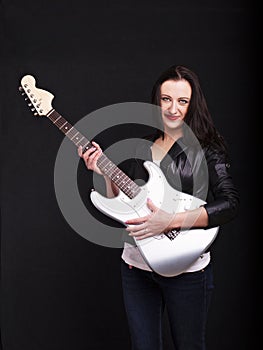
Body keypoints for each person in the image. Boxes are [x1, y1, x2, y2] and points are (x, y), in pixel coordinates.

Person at [78, 65, 240, 350]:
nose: (173, 109)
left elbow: (229, 204)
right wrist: (103, 172)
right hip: (136, 266)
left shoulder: (208, 149)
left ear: (193, 104)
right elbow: (128, 202)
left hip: (188, 271)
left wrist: (171, 220)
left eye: (182, 101)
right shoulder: (142, 146)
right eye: (166, 99)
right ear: (157, 101)